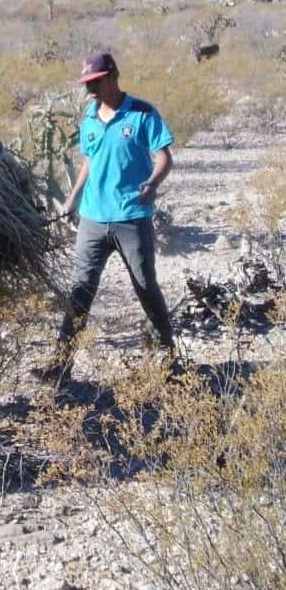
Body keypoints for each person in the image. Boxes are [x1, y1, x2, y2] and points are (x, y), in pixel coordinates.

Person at [36, 51, 177, 383]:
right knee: (80, 290)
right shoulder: (88, 118)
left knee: (145, 287)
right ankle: (60, 366)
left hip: (131, 217)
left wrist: (153, 182)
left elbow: (164, 157)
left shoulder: (142, 113)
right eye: (86, 84)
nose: (90, 91)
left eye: (95, 82)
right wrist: (72, 198)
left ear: (113, 76)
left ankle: (169, 358)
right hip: (92, 221)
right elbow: (89, 160)